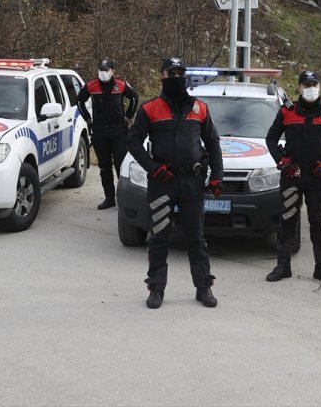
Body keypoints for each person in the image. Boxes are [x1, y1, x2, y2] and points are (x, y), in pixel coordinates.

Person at [126, 57, 224, 309]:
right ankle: (156, 288)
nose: (177, 77)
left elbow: (212, 142)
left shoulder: (199, 108)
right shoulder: (150, 109)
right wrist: (152, 167)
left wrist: (217, 176)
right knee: (159, 236)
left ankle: (204, 288)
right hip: (163, 182)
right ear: (162, 76)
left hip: (192, 182)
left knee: (196, 237)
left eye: (181, 72)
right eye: (172, 73)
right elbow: (133, 141)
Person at [264, 70, 321, 285]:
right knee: (288, 219)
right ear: (299, 88)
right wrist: (282, 162)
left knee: (317, 222)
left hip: (317, 177)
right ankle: (283, 266)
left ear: (319, 87)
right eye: (306, 84)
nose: (311, 88)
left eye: (314, 83)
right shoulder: (286, 112)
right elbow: (271, 139)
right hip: (293, 175)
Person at [77, 58, 139, 210]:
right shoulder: (91, 85)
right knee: (104, 167)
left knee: (121, 165)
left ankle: (124, 198)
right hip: (99, 131)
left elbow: (134, 98)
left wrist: (128, 116)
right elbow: (79, 100)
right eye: (101, 69)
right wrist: (88, 119)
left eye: (106, 70)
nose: (103, 72)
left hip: (118, 130)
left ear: (113, 71)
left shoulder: (121, 84)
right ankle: (109, 198)